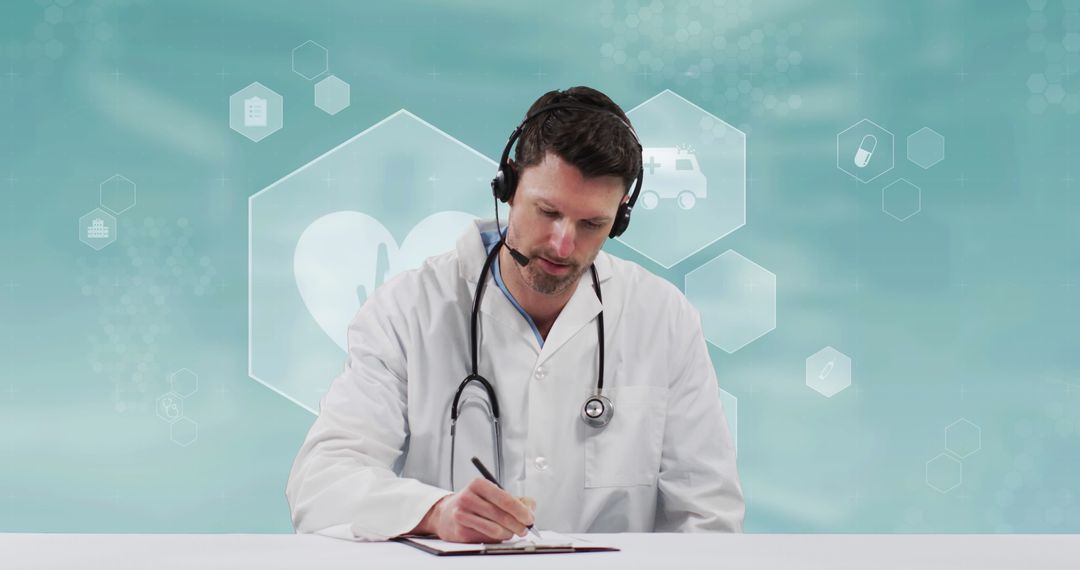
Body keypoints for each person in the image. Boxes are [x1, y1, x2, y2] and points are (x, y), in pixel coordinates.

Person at [285, 86, 744, 543]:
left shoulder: (663, 319)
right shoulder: (407, 312)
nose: (563, 244)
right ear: (507, 186)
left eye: (592, 224)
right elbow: (321, 484)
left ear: (620, 218)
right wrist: (435, 513)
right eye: (547, 211)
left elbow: (707, 515)